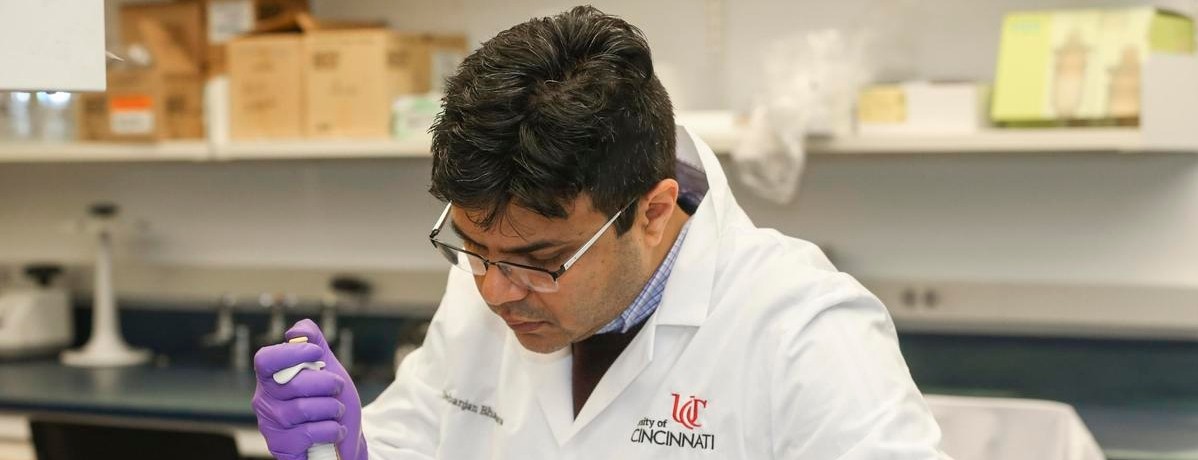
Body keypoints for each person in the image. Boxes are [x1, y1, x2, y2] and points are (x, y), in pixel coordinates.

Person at [252, 6, 949, 459]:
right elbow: (421, 442)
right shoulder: (491, 281)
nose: (496, 291)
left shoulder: (802, 331)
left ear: (650, 210)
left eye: (538, 261)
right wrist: (351, 451)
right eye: (472, 248)